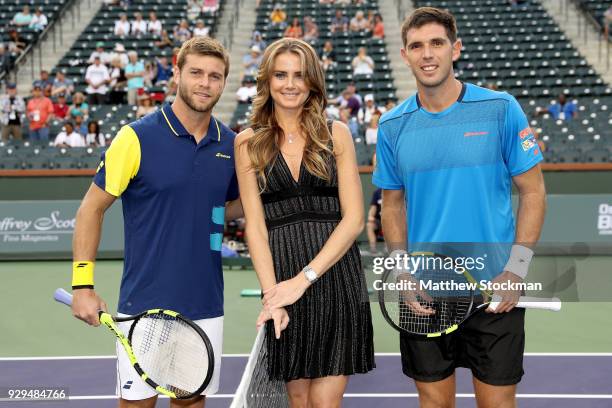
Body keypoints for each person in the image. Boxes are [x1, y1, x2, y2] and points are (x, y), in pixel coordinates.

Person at [373, 8, 546, 408]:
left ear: (456, 49)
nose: (427, 54)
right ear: (404, 55)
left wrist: (516, 268)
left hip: (493, 292)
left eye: (437, 43)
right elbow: (392, 205)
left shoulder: (501, 109)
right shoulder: (392, 126)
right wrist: (402, 272)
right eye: (417, 46)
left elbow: (534, 191)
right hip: (425, 296)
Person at [70, 36, 242, 408]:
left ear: (224, 82)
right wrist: (82, 283)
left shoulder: (231, 144)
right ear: (176, 73)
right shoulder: (135, 137)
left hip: (206, 305)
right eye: (195, 72)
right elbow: (90, 209)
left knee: (190, 404)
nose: (205, 83)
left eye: (215, 76)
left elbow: (231, 205)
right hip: (143, 306)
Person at [234, 38, 375, 406]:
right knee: (298, 401)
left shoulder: (336, 133)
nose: (290, 83)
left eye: (299, 75)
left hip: (334, 279)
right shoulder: (247, 143)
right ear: (267, 80)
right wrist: (273, 297)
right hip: (282, 284)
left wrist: (304, 280)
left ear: (313, 81)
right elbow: (256, 227)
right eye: (281, 74)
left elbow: (355, 219)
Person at [366, 187, 382, 254]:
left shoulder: (397, 190)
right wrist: (370, 216)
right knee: (369, 225)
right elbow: (373, 208)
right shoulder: (377, 192)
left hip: (392, 221)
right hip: (379, 220)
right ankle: (373, 249)